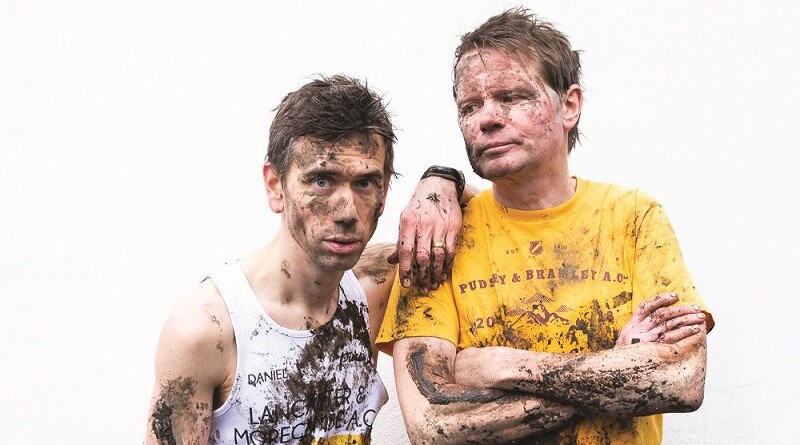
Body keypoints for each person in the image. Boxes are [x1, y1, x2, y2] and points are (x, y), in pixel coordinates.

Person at [378, 8, 715, 444]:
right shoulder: (436, 240)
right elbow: (433, 424)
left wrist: (500, 365)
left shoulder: (632, 217)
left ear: (569, 105)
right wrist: (615, 367)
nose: (487, 118)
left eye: (512, 97)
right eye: (470, 106)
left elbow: (681, 378)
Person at [144, 75, 452, 445]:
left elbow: (482, 219)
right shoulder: (209, 329)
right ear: (275, 185)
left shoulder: (375, 287)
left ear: (384, 191)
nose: (347, 211)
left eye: (365, 183)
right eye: (322, 181)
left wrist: (441, 183)